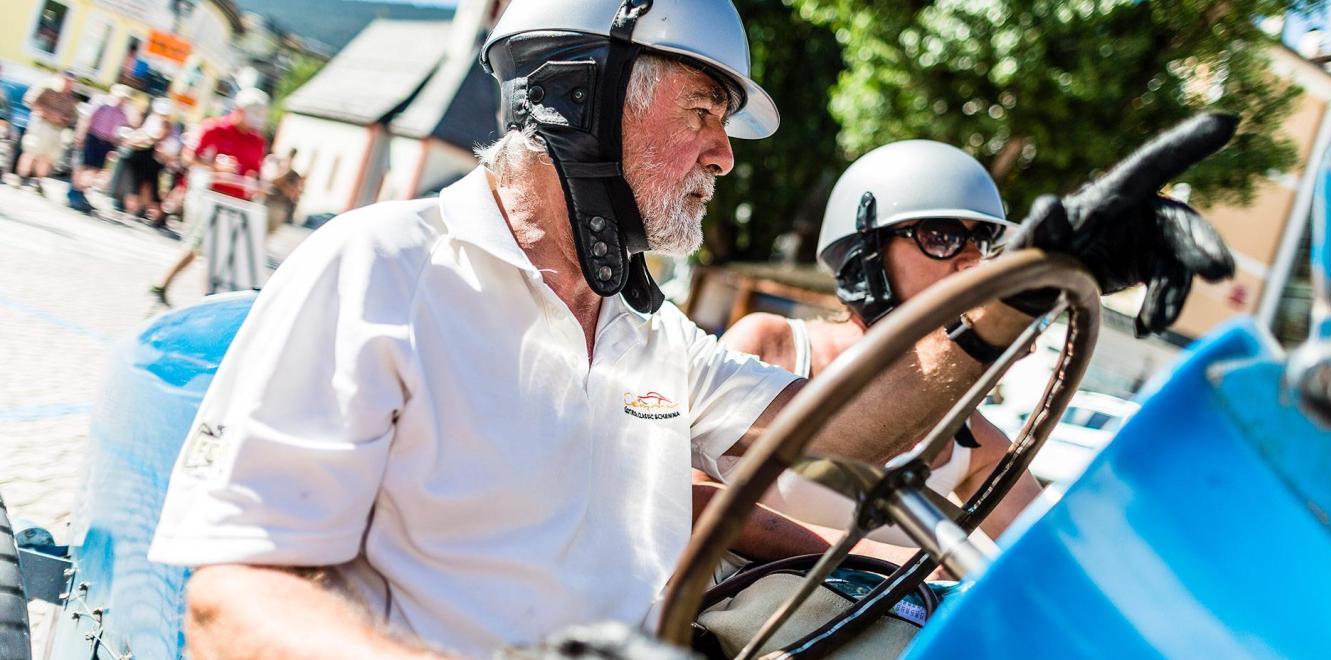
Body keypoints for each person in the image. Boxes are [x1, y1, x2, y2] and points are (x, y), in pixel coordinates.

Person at [145, 1, 1236, 657]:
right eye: (703, 112)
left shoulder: (649, 335)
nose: (724, 155)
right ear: (578, 96)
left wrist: (1024, 291)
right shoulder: (382, 266)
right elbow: (233, 601)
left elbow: (845, 432)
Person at [696, 141, 1040, 566]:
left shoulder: (971, 434)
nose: (972, 260)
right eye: (942, 237)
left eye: (983, 241)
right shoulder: (775, 345)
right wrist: (884, 563)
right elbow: (689, 494)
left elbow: (1055, 556)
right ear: (866, 252)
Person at [150, 89, 269, 305]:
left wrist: (260, 186)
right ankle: (205, 298)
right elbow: (189, 157)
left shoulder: (257, 140)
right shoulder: (214, 128)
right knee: (204, 245)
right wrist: (214, 165)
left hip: (237, 202)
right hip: (208, 195)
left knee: (212, 250)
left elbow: (256, 172)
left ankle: (165, 285)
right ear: (239, 110)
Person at [68, 85, 132, 212]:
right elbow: (86, 119)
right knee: (85, 166)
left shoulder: (122, 113)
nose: (122, 100)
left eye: (125, 99)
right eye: (121, 97)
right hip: (93, 137)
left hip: (107, 142)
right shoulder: (101, 103)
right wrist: (80, 135)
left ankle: (82, 193)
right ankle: (74, 192)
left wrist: (116, 145)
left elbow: (123, 129)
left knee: (96, 169)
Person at [16, 72, 78, 194]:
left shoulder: (71, 98)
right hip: (41, 124)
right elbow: (29, 100)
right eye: (66, 80)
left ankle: (38, 182)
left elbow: (73, 118)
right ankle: (21, 177)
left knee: (47, 158)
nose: (68, 84)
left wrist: (64, 118)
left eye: (71, 82)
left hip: (57, 130)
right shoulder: (47, 88)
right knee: (31, 151)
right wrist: (48, 112)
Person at [263, 147, 304, 231]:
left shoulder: (294, 174)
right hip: (269, 203)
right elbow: (272, 181)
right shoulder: (277, 165)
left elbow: (294, 193)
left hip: (281, 206)